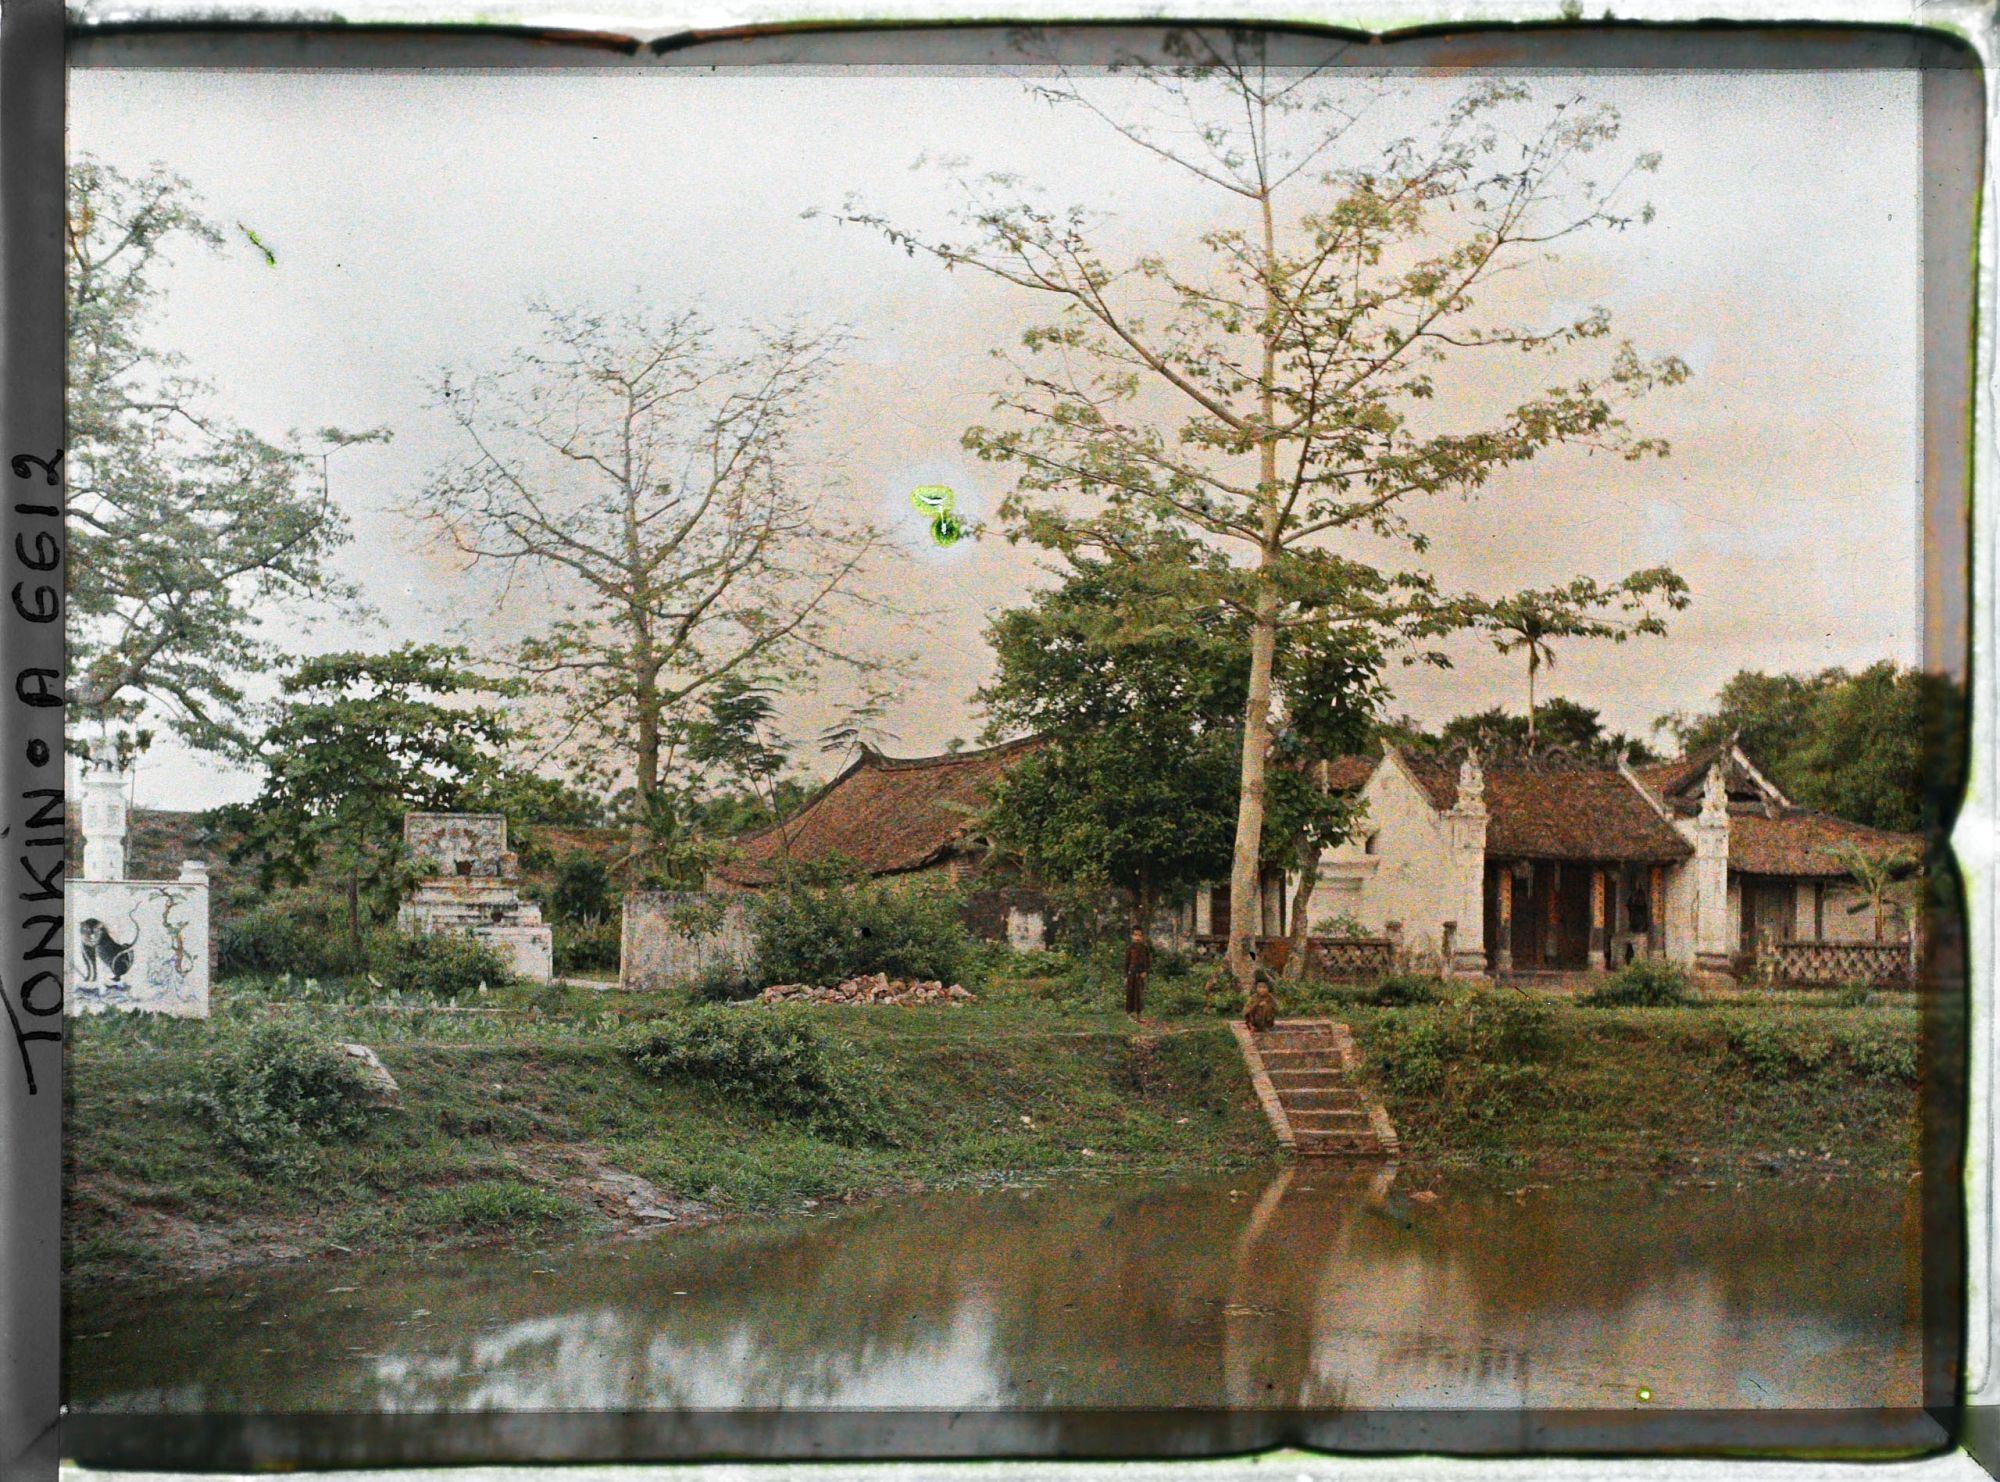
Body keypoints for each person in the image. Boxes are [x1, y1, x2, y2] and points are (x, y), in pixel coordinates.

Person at [1123, 927, 1153, 1016]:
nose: (1137, 937)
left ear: (1142, 937)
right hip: (1131, 973)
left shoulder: (1144, 948)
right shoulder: (1130, 948)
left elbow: (1148, 961)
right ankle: (1129, 1014)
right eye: (1135, 935)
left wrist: (1145, 971)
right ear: (1131, 936)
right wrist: (1125, 976)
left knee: (1139, 994)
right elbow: (1126, 963)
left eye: (1139, 935)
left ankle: (1139, 1014)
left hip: (1141, 973)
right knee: (1130, 993)